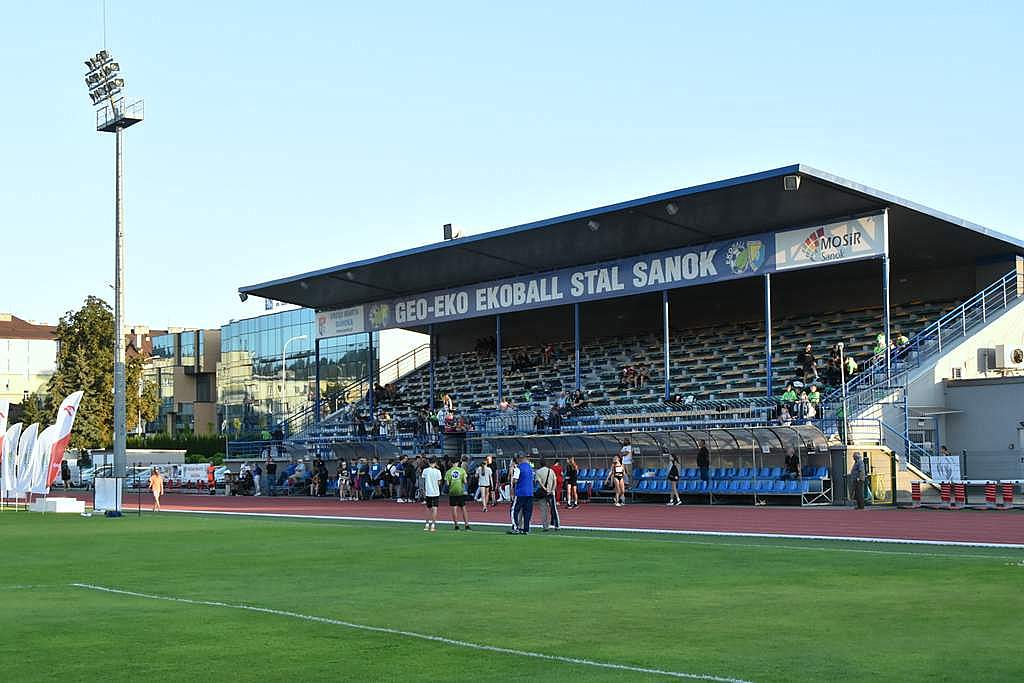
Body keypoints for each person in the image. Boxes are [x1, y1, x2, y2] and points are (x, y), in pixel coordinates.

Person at [509, 454, 535, 534]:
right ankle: (526, 529)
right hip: (530, 493)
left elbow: (515, 480)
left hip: (521, 492)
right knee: (527, 512)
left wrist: (512, 476)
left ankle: (515, 527)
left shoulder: (518, 468)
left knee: (514, 510)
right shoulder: (530, 468)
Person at [445, 459, 471, 530]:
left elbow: (447, 484)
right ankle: (466, 525)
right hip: (460, 491)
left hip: (452, 492)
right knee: (463, 508)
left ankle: (456, 525)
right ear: (458, 463)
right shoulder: (462, 470)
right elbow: (465, 481)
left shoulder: (448, 472)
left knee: (454, 509)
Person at [534, 458, 559, 532]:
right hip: (551, 492)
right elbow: (555, 481)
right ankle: (557, 525)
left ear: (540, 464)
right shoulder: (551, 471)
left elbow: (539, 482)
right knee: (553, 509)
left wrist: (544, 488)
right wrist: (552, 489)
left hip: (542, 493)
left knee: (543, 510)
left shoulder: (538, 472)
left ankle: (545, 526)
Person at [422, 458, 442, 532]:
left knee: (428, 508)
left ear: (429, 463)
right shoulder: (438, 471)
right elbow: (439, 482)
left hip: (428, 492)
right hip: (436, 492)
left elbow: (423, 479)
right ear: (435, 463)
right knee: (435, 508)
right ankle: (433, 525)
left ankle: (427, 524)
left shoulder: (425, 470)